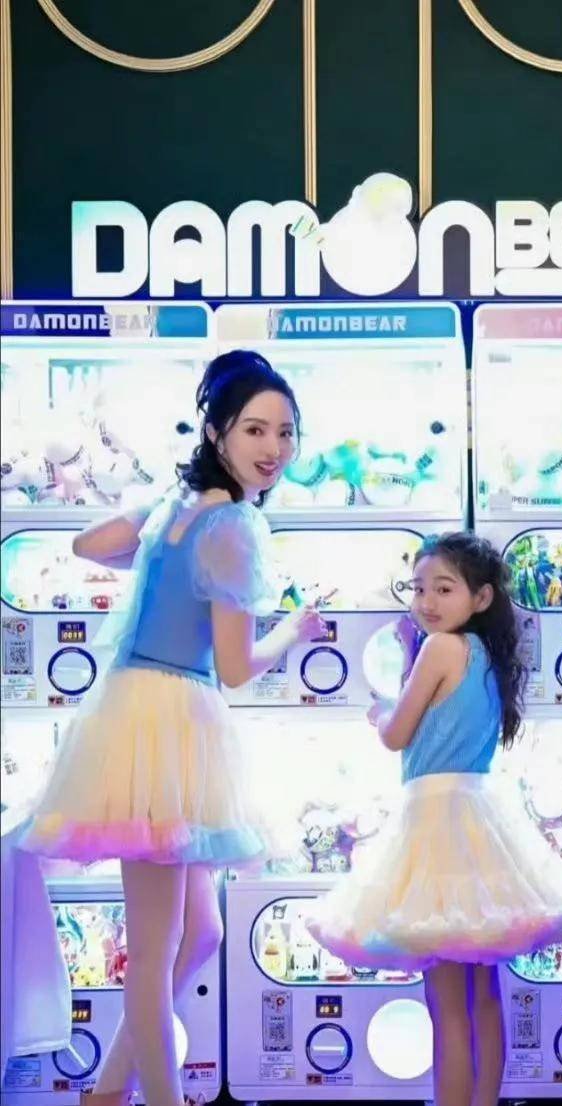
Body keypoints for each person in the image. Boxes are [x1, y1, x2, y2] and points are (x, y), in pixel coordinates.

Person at [22, 350, 326, 1106]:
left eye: (285, 432)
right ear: (218, 432)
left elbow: (87, 544)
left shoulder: (180, 502)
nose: (274, 448)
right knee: (155, 953)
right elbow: (236, 667)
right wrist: (295, 629)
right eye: (255, 430)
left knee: (205, 934)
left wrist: (161, 543)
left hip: (139, 715)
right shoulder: (234, 525)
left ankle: (105, 1093)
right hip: (169, 721)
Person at [309, 533, 562, 1106]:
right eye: (418, 589)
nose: (427, 601)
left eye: (443, 589)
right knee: (483, 994)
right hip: (479, 822)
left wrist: (380, 711)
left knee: (445, 1004)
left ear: (481, 596)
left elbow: (397, 734)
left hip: (432, 826)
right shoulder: (487, 655)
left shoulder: (439, 649)